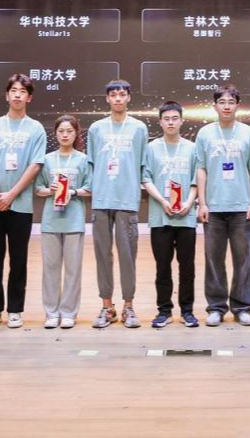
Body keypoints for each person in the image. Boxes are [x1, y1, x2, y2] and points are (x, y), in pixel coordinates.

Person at [0, 73, 46, 330]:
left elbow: (36, 164)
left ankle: (15, 309)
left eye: (22, 91)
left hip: (21, 204)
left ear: (29, 97)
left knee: (19, 259)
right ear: (6, 95)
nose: (17, 94)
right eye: (13, 90)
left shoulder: (35, 128)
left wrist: (12, 194)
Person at [197, 84, 250, 327]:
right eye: (222, 102)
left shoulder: (248, 133)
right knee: (213, 260)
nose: (226, 106)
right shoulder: (205, 134)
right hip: (213, 208)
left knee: (243, 260)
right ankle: (216, 307)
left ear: (237, 105)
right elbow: (201, 169)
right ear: (214, 106)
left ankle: (242, 307)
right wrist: (202, 203)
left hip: (241, 208)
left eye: (231, 102)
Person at [87, 79, 148, 328]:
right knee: (103, 256)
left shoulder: (139, 128)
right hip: (101, 200)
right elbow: (91, 164)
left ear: (129, 98)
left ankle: (129, 307)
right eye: (113, 95)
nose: (118, 99)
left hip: (127, 200)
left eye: (122, 94)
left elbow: (143, 164)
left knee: (127, 256)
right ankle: (107, 307)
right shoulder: (96, 128)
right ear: (107, 99)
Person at [142, 101, 200, 328]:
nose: (171, 122)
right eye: (166, 119)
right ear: (160, 122)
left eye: (175, 118)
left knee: (187, 268)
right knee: (162, 267)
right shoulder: (151, 148)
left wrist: (189, 202)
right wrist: (163, 201)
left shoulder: (192, 148)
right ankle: (164, 311)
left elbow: (197, 179)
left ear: (182, 120)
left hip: (186, 216)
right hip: (160, 216)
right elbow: (146, 178)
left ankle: (187, 311)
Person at [37, 115, 92, 329]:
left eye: (69, 131)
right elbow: (38, 188)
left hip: (74, 221)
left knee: (72, 269)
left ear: (76, 133)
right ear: (55, 134)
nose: (65, 135)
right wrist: (49, 190)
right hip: (50, 221)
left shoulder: (83, 160)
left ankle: (68, 312)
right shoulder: (47, 159)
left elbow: (90, 188)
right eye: (61, 131)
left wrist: (73, 192)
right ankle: (51, 313)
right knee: (50, 268)